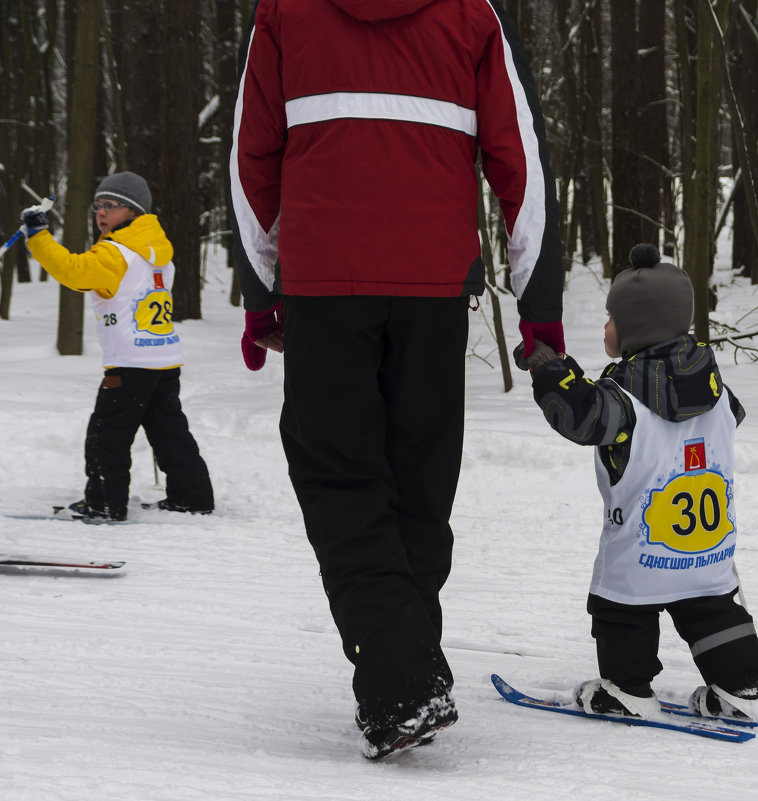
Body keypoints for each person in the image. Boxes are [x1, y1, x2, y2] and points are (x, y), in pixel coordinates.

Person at [230, 0, 564, 759]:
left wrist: (261, 290)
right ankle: (405, 671)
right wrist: (537, 307)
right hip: (432, 285)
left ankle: (401, 678)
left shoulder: (286, 11)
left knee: (341, 476)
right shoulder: (472, 13)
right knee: (418, 478)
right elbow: (521, 158)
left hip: (325, 282)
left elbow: (252, 154)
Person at [519, 243, 758, 722]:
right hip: (707, 545)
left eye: (611, 318)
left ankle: (627, 689)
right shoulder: (714, 386)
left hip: (643, 548)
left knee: (621, 609)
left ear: (635, 327)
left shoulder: (622, 397)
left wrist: (551, 370)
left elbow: (580, 417)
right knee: (714, 608)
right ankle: (739, 687)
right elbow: (731, 417)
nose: (606, 327)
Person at [21, 171, 215, 522]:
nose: (100, 212)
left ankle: (104, 504)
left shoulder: (116, 252)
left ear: (134, 212)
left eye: (111, 205)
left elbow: (74, 270)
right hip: (163, 359)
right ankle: (193, 496)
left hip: (129, 362)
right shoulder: (157, 251)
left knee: (106, 436)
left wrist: (38, 236)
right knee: (169, 432)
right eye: (98, 205)